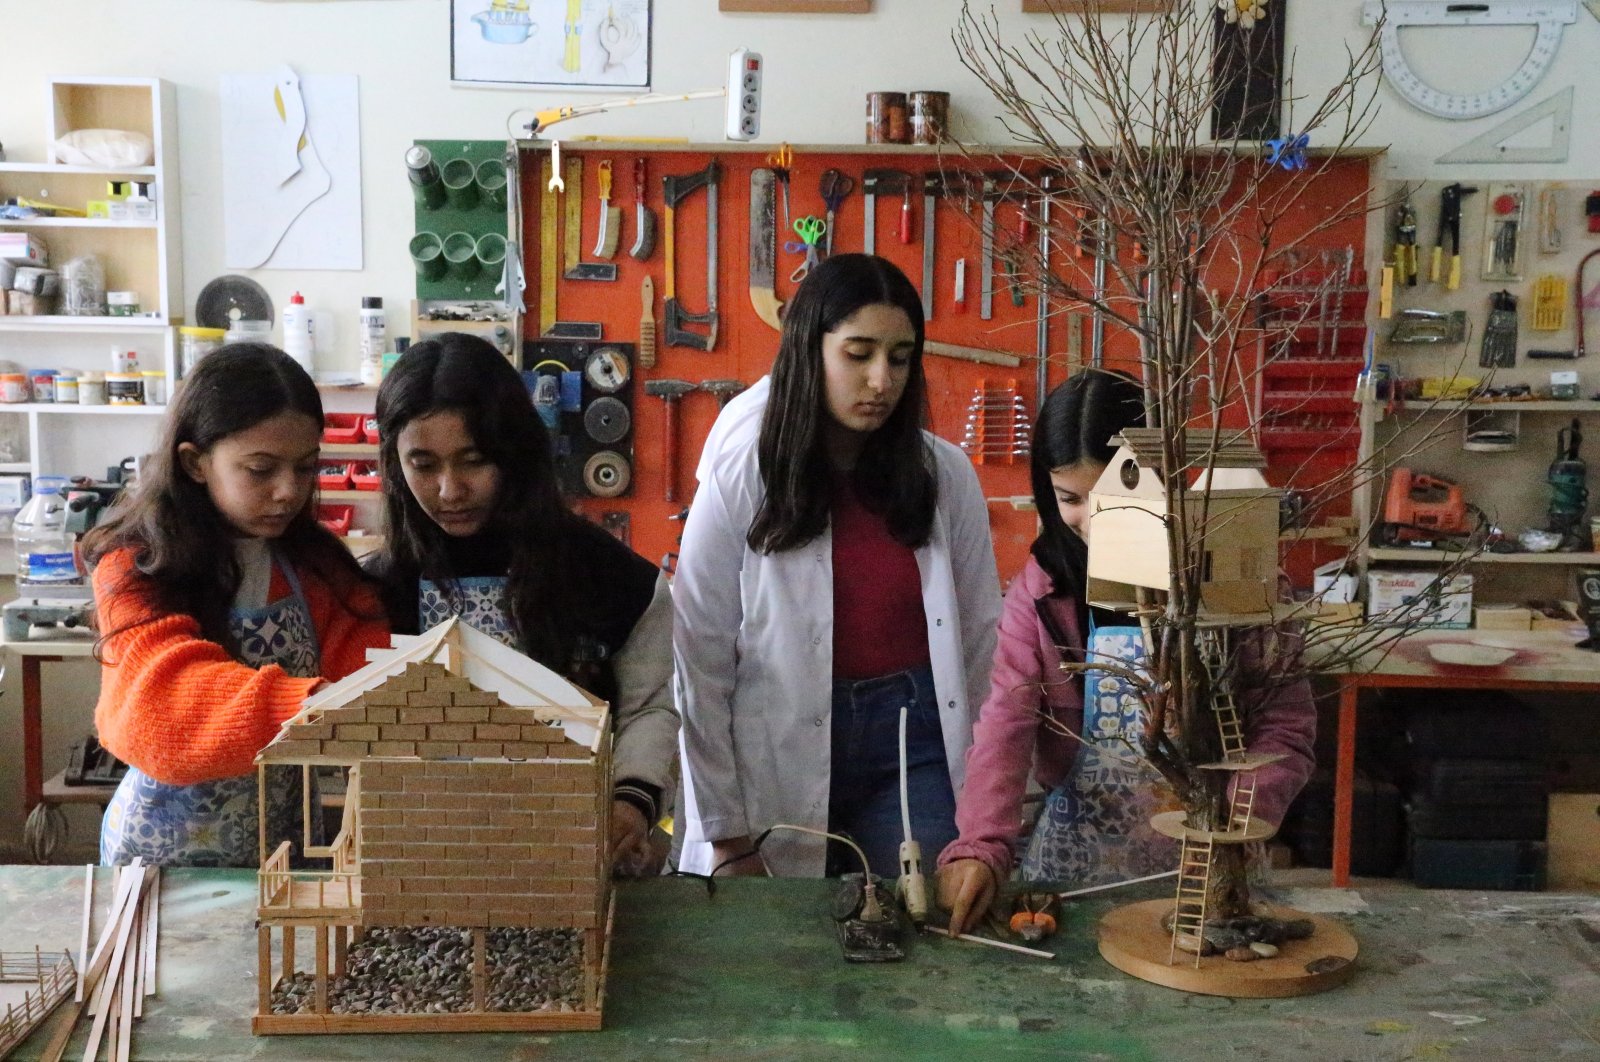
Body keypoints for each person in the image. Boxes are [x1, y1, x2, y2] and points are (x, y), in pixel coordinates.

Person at [936, 369, 1318, 934]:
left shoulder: (1239, 583)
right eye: (1070, 498)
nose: (1092, 522)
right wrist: (980, 845)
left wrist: (1236, 820)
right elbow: (1006, 722)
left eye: (1110, 497)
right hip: (1077, 865)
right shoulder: (1043, 590)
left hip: (1213, 864)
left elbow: (1285, 727)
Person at [674, 253, 1002, 879]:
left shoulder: (945, 477)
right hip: (777, 746)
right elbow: (698, 651)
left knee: (923, 922)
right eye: (858, 354)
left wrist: (989, 818)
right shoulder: (745, 467)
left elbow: (986, 641)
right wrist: (725, 833)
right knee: (784, 951)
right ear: (809, 350)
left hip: (914, 743)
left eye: (900, 357)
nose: (882, 380)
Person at [364, 333, 677, 878]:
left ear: (516, 452)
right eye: (423, 464)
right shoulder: (374, 589)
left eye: (473, 460)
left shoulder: (611, 577)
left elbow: (650, 708)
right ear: (394, 463)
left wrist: (631, 802)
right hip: (421, 869)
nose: (449, 489)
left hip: (579, 859)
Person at [87, 343, 391, 867]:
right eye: (260, 469)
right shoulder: (135, 568)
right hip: (165, 858)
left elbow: (374, 670)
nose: (287, 491)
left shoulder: (318, 566)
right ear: (194, 462)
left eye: (305, 468)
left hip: (289, 849)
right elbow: (162, 708)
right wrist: (317, 708)